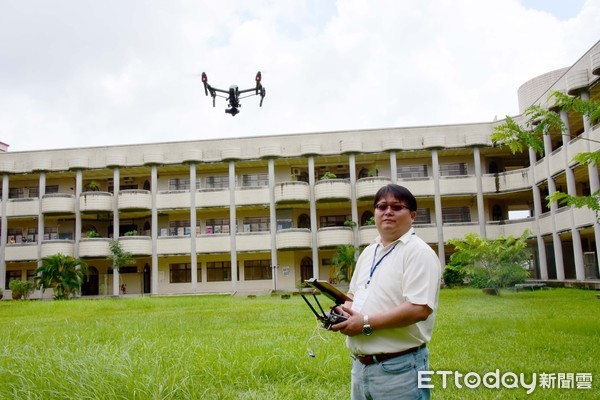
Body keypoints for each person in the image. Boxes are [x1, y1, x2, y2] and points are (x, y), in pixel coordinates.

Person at [330, 184, 441, 399]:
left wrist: (365, 323)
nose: (388, 211)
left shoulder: (418, 253)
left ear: (412, 215)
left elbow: (419, 309)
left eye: (397, 207)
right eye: (382, 206)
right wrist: (344, 314)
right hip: (360, 367)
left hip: (401, 368)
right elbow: (353, 296)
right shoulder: (369, 252)